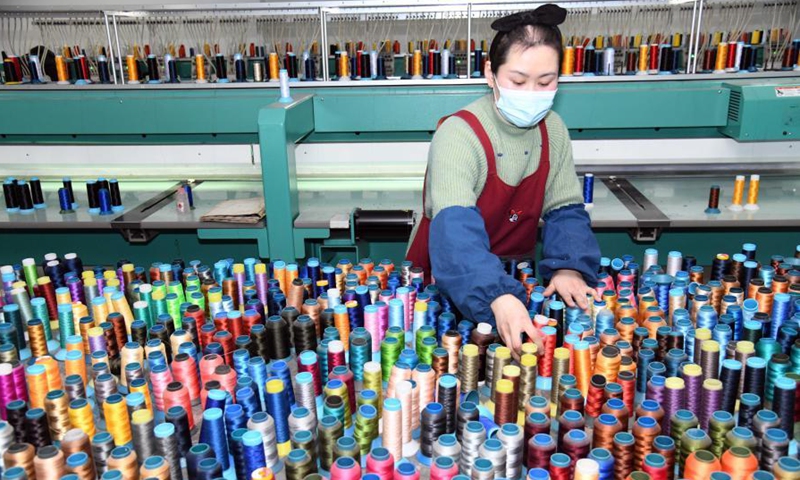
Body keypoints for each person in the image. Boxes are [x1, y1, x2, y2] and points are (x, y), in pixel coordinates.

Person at [406, 4, 601, 356]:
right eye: (518, 80)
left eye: (546, 82)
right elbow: (455, 234)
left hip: (513, 278)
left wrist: (570, 266)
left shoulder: (552, 131)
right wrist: (495, 294)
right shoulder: (459, 134)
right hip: (451, 280)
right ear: (490, 74)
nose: (531, 93)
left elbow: (566, 210)